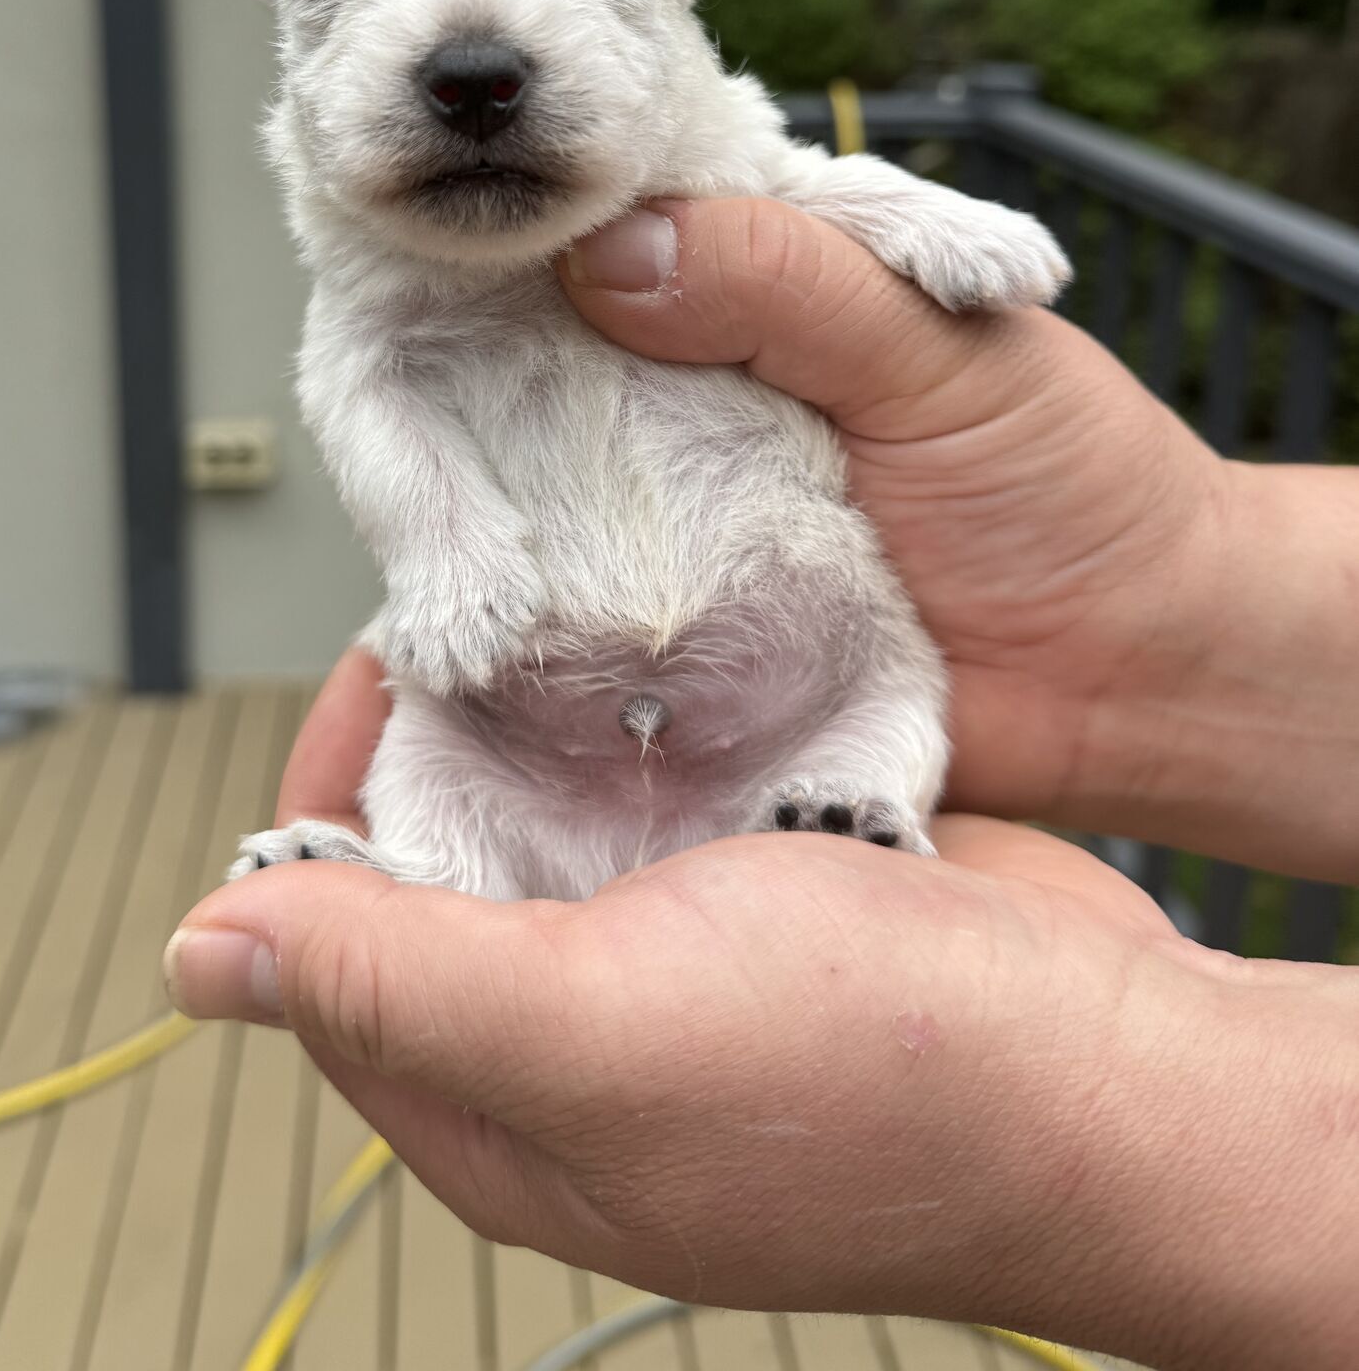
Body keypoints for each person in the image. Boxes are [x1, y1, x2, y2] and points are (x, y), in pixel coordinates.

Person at [163, 198, 1359, 1371]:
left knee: (880, 703)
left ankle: (849, 811)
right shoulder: (373, 277)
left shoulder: (710, 166)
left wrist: (890, 214)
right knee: (431, 746)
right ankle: (419, 882)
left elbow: (779, 172)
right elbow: (359, 378)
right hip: (533, 726)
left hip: (798, 703)